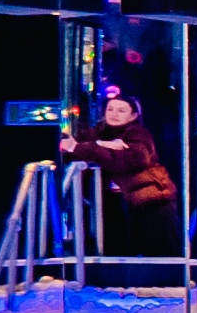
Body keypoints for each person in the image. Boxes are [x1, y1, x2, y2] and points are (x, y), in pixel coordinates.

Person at [57, 93, 180, 258]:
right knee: (116, 251)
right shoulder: (95, 134)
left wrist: (89, 149)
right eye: (110, 109)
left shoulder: (138, 134)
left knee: (160, 253)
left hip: (151, 201)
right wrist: (100, 145)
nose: (114, 114)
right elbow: (68, 152)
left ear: (133, 116)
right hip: (113, 202)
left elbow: (130, 159)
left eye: (121, 111)